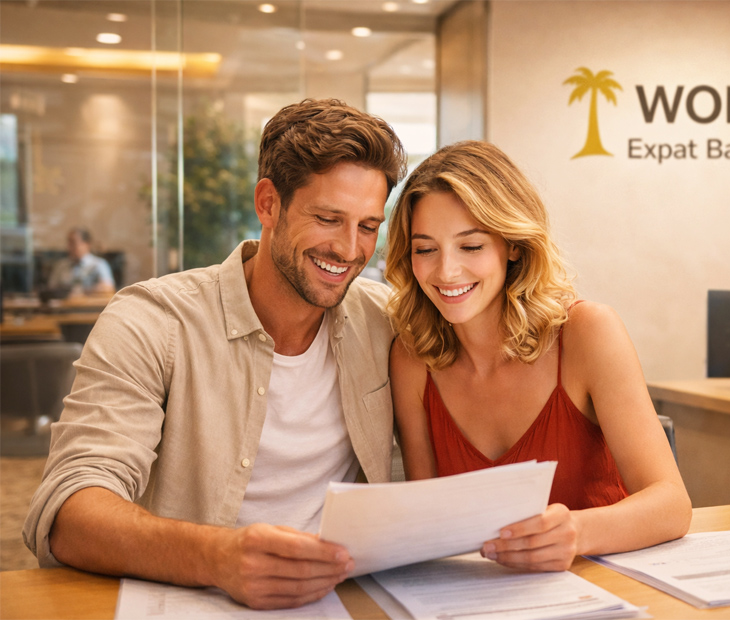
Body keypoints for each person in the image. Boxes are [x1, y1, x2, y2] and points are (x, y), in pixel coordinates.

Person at [23, 99, 407, 610]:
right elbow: (67, 511)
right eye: (328, 218)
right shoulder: (151, 322)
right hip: (189, 600)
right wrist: (218, 558)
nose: (350, 248)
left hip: (342, 600)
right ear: (268, 203)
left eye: (367, 225)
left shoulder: (386, 320)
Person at [386, 140, 691, 572]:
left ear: (512, 244)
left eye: (470, 246)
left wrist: (577, 532)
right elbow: (430, 529)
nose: (446, 271)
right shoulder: (411, 358)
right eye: (425, 249)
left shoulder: (588, 333)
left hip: (606, 588)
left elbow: (673, 504)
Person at [46, 227, 116, 296]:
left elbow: (108, 288)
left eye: (73, 242)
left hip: (88, 306)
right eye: (69, 243)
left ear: (87, 244)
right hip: (63, 306)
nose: (69, 247)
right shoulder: (61, 265)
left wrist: (84, 291)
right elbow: (51, 289)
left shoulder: (99, 264)